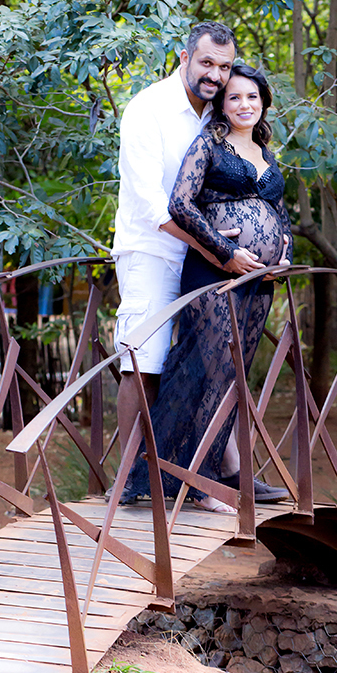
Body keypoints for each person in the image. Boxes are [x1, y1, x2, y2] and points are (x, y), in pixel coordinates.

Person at [123, 64, 292, 511]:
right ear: (222, 104)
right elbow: (180, 204)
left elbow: (278, 211)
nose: (244, 105)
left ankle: (209, 473)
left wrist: (285, 251)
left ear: (264, 103)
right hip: (215, 275)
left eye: (253, 97)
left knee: (233, 375)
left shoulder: (266, 153)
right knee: (216, 373)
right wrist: (222, 250)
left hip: (259, 281)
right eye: (234, 97)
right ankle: (200, 483)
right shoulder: (208, 146)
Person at [112, 20, 257, 453]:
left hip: (209, 258)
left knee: (213, 363)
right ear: (184, 58)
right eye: (207, 62)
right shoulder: (147, 109)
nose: (215, 74)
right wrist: (216, 246)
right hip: (153, 251)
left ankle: (216, 473)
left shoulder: (222, 113)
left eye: (225, 66)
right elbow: (152, 206)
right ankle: (135, 482)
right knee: (145, 361)